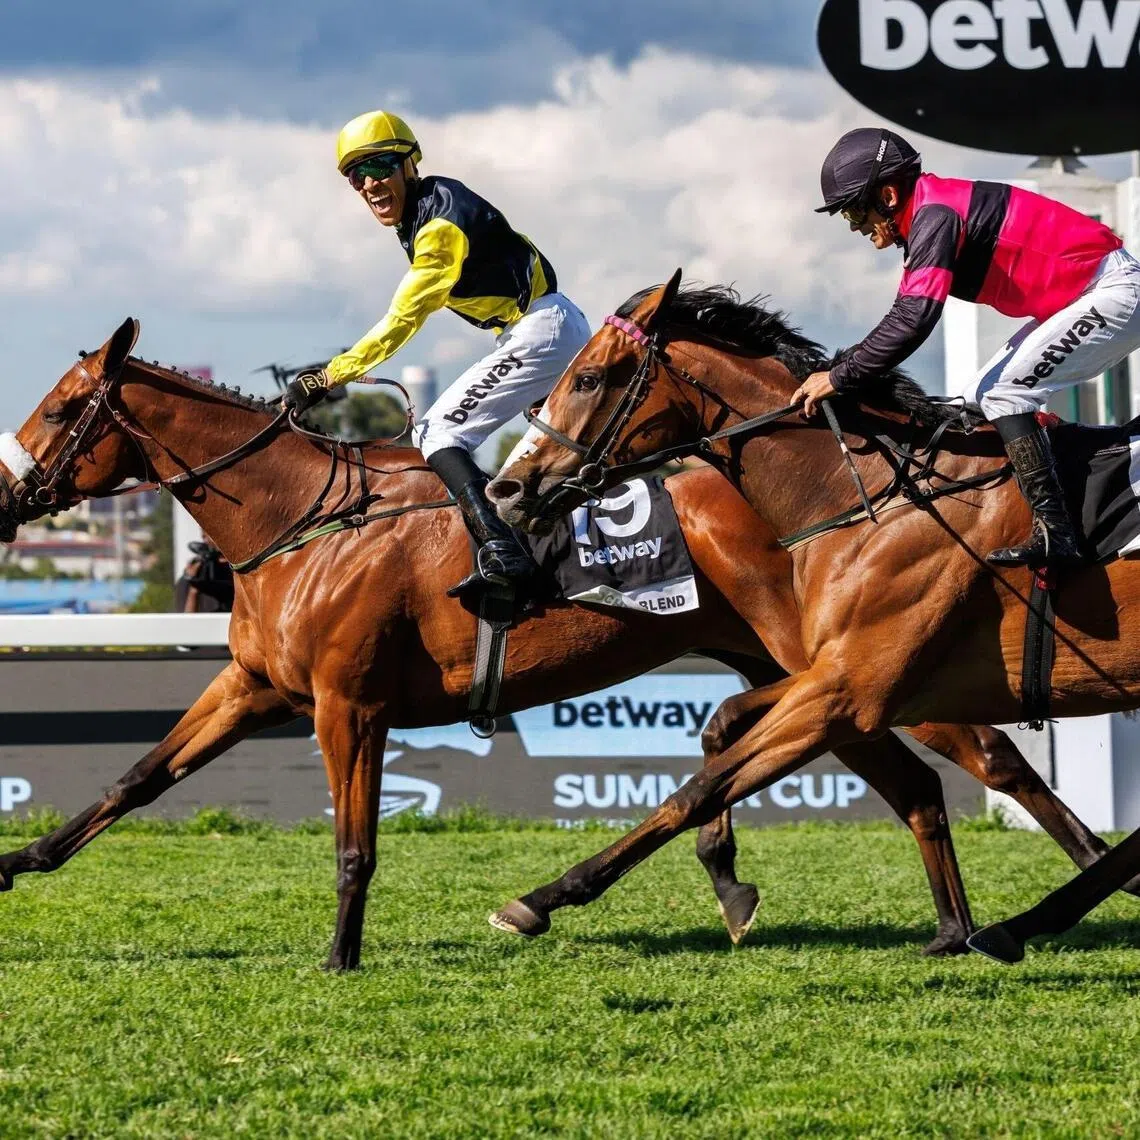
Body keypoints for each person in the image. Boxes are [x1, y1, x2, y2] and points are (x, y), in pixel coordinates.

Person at [793, 126, 1140, 568]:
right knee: (982, 395)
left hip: (1111, 291)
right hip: (1088, 294)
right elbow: (904, 315)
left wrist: (838, 376)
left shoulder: (934, 216)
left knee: (1005, 394)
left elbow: (911, 321)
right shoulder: (929, 213)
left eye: (853, 212)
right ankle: (1077, 486)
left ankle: (1058, 534)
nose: (855, 227)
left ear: (888, 196)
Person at [282, 110, 590, 593]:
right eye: (355, 176)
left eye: (380, 166)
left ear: (409, 164)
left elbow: (404, 317)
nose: (368, 184)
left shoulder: (439, 226)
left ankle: (504, 554)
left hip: (541, 330)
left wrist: (329, 376)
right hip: (539, 328)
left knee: (438, 430)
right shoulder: (430, 204)